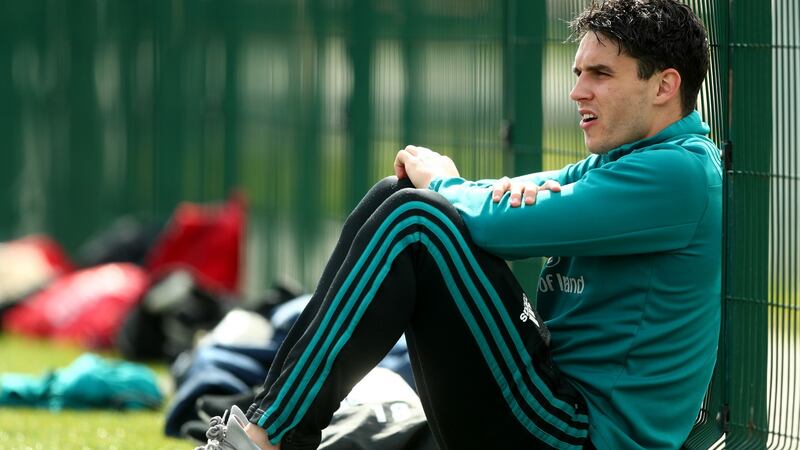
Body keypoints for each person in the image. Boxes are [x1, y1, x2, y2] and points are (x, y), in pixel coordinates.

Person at [197, 0, 721, 449]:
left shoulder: (678, 171)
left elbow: (495, 227)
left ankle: (271, 435)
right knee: (400, 195)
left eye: (600, 74)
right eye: (578, 73)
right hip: (550, 403)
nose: (577, 91)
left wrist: (447, 183)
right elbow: (499, 204)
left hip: (580, 433)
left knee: (417, 217)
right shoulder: (624, 160)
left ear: (664, 86)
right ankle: (268, 422)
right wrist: (468, 194)